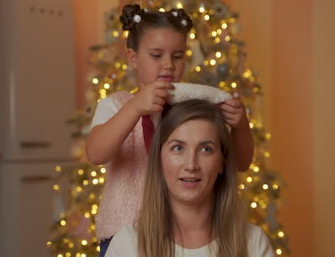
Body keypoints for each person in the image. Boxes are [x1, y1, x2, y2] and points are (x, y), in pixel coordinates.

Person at [85, 4, 254, 256]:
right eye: (156, 55)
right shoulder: (116, 106)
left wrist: (240, 126)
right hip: (125, 236)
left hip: (183, 235)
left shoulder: (191, 110)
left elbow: (239, 163)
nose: (168, 65)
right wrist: (134, 108)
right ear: (132, 58)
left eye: (177, 56)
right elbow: (96, 154)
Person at [105, 100, 274, 257]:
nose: (191, 165)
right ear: (159, 159)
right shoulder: (127, 244)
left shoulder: (253, 242)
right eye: (178, 148)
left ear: (222, 162)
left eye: (205, 149)